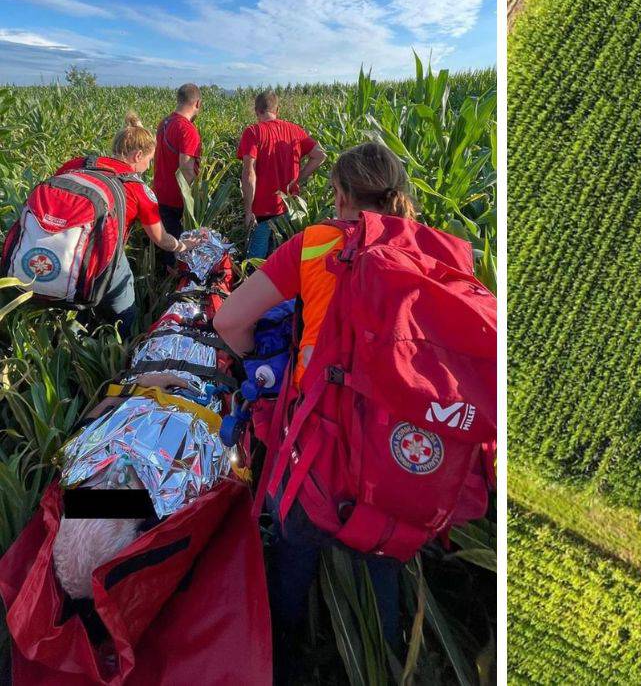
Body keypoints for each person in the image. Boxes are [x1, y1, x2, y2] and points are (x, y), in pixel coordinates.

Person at [213, 142, 416, 676]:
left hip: (320, 446)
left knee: (293, 544)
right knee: (382, 561)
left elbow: (229, 321)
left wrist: (261, 367)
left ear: (342, 195)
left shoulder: (315, 244)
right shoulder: (433, 250)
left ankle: (285, 656)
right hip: (400, 453)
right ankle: (386, 661)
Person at [59, 113, 203, 335]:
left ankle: (73, 340)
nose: (148, 166)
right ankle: (124, 354)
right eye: (149, 159)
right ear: (137, 155)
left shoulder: (78, 164)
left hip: (59, 249)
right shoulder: (136, 188)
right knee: (126, 311)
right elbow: (161, 239)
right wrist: (183, 246)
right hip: (100, 257)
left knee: (75, 307)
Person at [237, 91, 326, 260]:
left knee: (255, 264)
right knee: (282, 260)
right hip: (289, 209)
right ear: (277, 109)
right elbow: (320, 155)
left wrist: (248, 211)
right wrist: (298, 179)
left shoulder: (253, 132)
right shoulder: (295, 131)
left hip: (263, 212)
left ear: (257, 111)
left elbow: (249, 173)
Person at [153, 83, 203, 271]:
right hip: (177, 199)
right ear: (197, 103)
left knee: (166, 243)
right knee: (178, 248)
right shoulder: (187, 129)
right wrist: (194, 199)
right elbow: (186, 168)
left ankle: (166, 277)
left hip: (160, 191)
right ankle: (176, 286)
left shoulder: (164, 123)